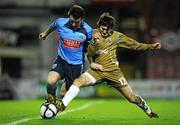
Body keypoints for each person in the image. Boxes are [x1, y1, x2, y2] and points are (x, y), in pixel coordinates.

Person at [57, 12, 161, 118]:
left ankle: (148, 110)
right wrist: (92, 62)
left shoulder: (117, 36)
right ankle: (61, 106)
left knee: (132, 98)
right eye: (102, 29)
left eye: (107, 29)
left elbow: (135, 45)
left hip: (114, 72)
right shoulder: (92, 33)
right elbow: (87, 52)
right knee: (77, 82)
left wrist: (152, 46)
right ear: (99, 26)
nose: (105, 32)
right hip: (97, 71)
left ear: (111, 28)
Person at [38, 5, 92, 110]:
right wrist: (45, 33)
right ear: (69, 16)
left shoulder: (88, 30)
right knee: (51, 81)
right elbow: (52, 26)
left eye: (77, 22)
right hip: (61, 60)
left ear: (82, 19)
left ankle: (55, 108)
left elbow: (91, 48)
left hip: (76, 66)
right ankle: (51, 101)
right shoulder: (60, 22)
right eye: (72, 21)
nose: (73, 24)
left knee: (63, 92)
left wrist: (92, 61)